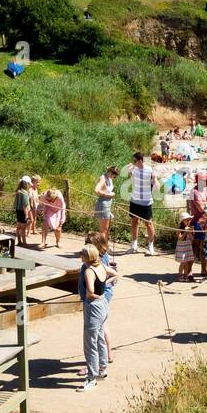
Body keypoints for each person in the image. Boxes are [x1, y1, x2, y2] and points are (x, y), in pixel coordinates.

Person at [78, 244, 111, 390]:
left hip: (94, 307)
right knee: (99, 337)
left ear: (87, 257)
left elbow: (90, 291)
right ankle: (102, 369)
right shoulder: (102, 266)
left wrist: (91, 295)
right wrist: (103, 287)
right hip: (103, 304)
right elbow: (115, 274)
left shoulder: (89, 271)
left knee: (90, 343)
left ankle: (91, 378)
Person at [84, 231, 119, 362]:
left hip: (100, 294)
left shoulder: (96, 259)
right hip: (104, 292)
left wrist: (103, 283)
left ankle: (98, 359)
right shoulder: (104, 255)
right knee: (103, 325)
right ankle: (108, 353)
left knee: (97, 328)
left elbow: (112, 274)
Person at [124, 152, 157, 256]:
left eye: (134, 161)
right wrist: (128, 171)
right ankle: (134, 245)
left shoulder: (150, 170)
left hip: (146, 201)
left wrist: (155, 179)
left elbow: (156, 184)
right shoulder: (133, 169)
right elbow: (129, 178)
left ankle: (151, 246)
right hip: (134, 199)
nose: (133, 163)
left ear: (140, 161)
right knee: (134, 222)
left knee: (148, 223)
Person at [94, 164, 118, 238]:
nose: (114, 178)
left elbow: (111, 190)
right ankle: (102, 248)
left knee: (107, 228)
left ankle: (105, 246)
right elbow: (97, 190)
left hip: (108, 204)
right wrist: (106, 195)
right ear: (110, 173)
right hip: (103, 204)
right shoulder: (103, 178)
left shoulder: (109, 178)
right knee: (104, 230)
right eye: (114, 176)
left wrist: (112, 194)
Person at [175, 213, 195, 281]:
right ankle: (180, 276)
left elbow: (192, 239)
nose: (189, 221)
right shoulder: (180, 229)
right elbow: (180, 239)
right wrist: (185, 232)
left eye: (189, 220)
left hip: (188, 247)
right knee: (183, 262)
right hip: (182, 247)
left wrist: (190, 232)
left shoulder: (190, 228)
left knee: (187, 262)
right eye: (187, 220)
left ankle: (186, 275)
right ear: (183, 221)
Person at [14, 176, 33, 246]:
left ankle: (19, 241)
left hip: (18, 210)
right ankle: (24, 242)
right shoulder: (25, 193)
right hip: (23, 212)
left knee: (18, 227)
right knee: (23, 228)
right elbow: (25, 205)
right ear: (26, 184)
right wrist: (27, 215)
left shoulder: (19, 191)